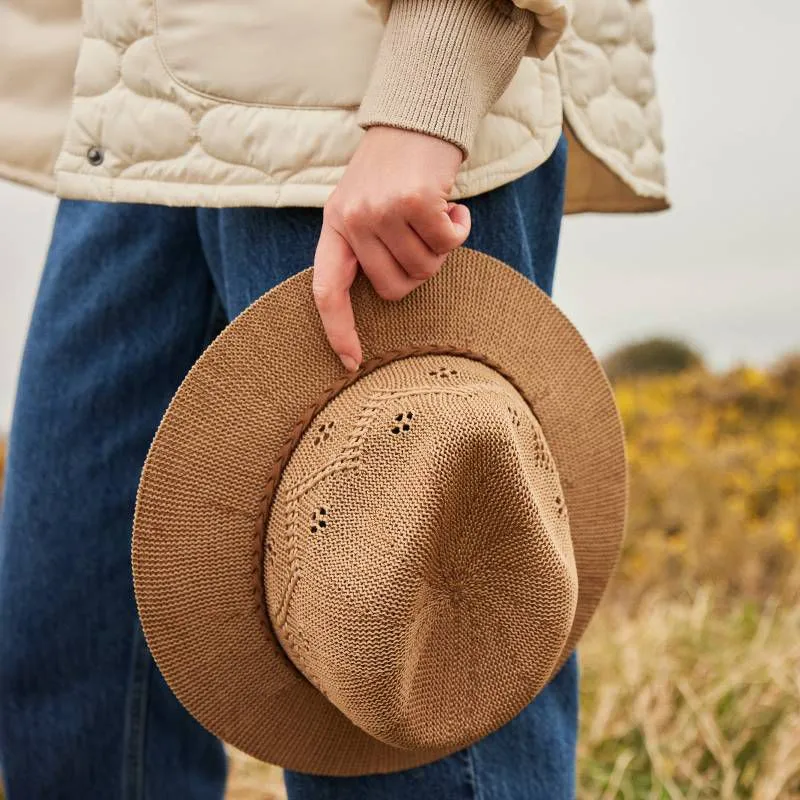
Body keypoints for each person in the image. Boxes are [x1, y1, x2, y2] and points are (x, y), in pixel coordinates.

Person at [0, 0, 667, 797]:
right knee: (72, 661)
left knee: (409, 681)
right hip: (138, 101)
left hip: (357, 108)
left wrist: (435, 78)